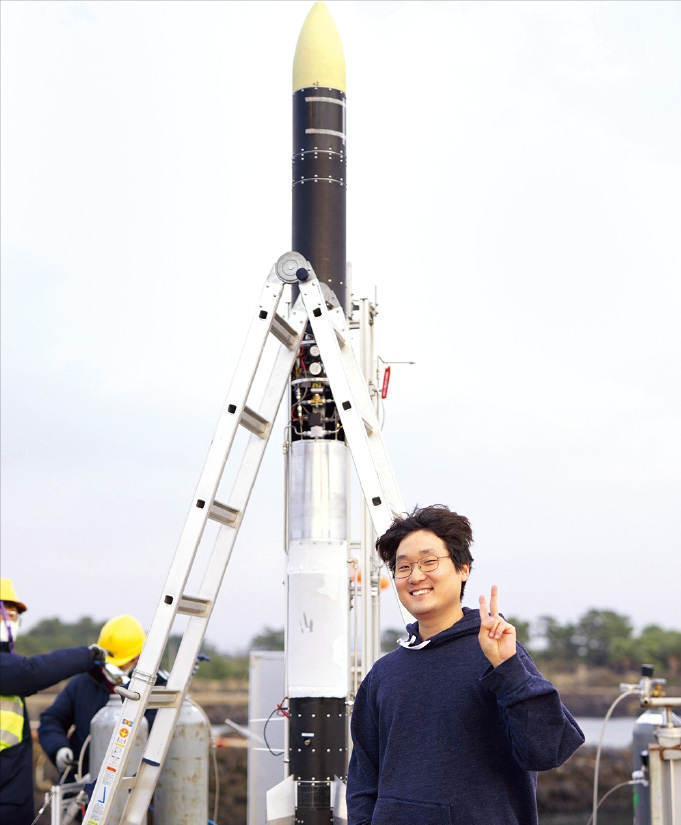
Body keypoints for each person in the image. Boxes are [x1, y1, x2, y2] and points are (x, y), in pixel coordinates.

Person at [346, 505, 585, 825]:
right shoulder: (383, 674)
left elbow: (546, 751)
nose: (415, 576)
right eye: (403, 567)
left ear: (463, 569)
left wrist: (508, 668)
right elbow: (363, 781)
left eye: (429, 561)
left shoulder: (497, 653)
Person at [0, 578, 108, 825]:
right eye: (9, 614)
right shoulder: (10, 670)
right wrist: (87, 656)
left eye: (16, 616)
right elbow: (30, 673)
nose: (12, 623)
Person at [39, 614, 147, 777]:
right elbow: (51, 719)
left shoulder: (152, 690)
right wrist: (58, 748)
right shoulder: (82, 683)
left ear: (138, 658)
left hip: (133, 782)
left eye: (120, 663)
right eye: (109, 661)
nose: (113, 667)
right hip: (83, 778)